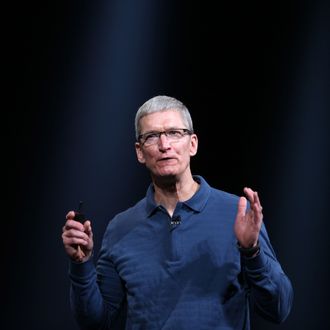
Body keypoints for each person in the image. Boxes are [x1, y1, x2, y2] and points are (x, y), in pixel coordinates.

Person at [62, 95, 293, 330]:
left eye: (174, 133)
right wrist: (81, 264)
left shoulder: (237, 214)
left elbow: (278, 309)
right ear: (140, 152)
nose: (164, 145)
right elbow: (97, 323)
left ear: (192, 144)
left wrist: (252, 252)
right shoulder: (120, 228)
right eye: (152, 136)